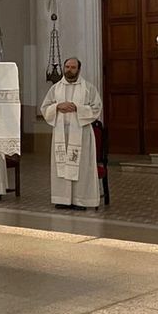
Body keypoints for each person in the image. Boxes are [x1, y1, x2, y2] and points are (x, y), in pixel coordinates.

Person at [41, 57, 103, 210]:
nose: (69, 70)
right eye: (67, 67)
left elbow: (96, 108)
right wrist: (57, 106)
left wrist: (78, 108)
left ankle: (80, 200)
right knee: (61, 165)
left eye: (73, 67)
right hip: (61, 134)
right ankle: (63, 199)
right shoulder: (56, 88)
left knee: (81, 167)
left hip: (81, 134)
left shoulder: (88, 88)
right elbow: (45, 108)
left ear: (79, 69)